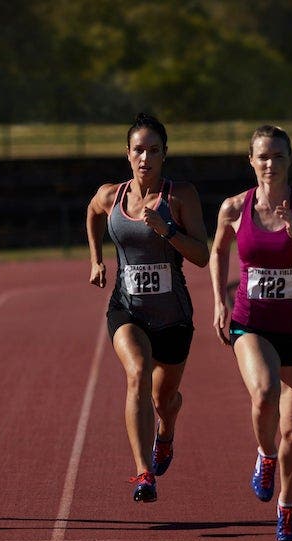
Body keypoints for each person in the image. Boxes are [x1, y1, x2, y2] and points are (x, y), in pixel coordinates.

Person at [209, 125, 292, 541]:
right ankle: (265, 457)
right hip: (252, 322)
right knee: (265, 394)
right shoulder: (234, 207)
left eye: (278, 156)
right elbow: (218, 251)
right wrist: (219, 300)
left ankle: (286, 505)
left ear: (290, 160)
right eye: (263, 156)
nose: (270, 164)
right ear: (251, 160)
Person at [86, 113, 209, 502]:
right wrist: (95, 259)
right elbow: (92, 212)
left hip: (173, 316)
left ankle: (166, 432)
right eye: (139, 150)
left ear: (164, 155)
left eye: (153, 150)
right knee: (137, 372)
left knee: (163, 400)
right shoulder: (112, 195)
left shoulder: (180, 196)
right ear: (127, 154)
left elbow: (202, 255)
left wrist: (167, 230)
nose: (145, 158)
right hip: (128, 308)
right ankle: (143, 474)